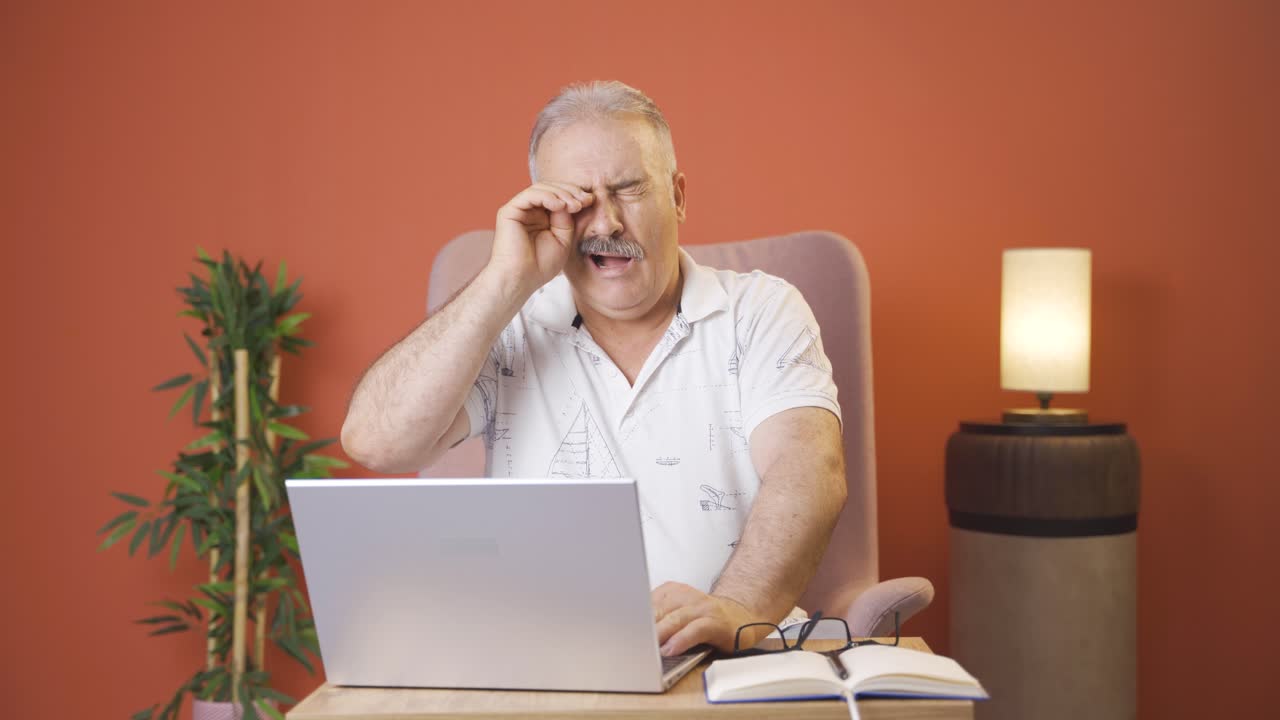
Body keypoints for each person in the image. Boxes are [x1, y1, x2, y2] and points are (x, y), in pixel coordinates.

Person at [341, 80, 847, 657]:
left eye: (629, 189)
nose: (605, 223)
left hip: (728, 662)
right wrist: (503, 282)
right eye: (577, 200)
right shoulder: (510, 323)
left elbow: (810, 470)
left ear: (678, 196)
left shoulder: (761, 310)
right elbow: (376, 444)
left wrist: (738, 610)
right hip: (545, 661)